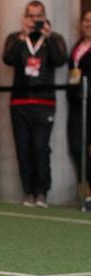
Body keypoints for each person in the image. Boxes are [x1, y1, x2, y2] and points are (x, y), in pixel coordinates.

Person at [3, 1, 67, 207]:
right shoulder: (15, 38)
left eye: (38, 16)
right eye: (31, 16)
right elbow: (8, 59)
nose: (35, 20)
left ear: (45, 16)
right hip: (19, 102)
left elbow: (60, 60)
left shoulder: (54, 38)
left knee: (40, 147)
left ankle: (42, 192)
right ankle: (28, 191)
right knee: (23, 149)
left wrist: (47, 38)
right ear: (25, 17)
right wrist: (22, 37)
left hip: (44, 102)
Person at [67, 10, 91, 209]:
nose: (88, 24)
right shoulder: (78, 46)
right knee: (77, 148)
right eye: (86, 20)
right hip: (77, 104)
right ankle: (85, 192)